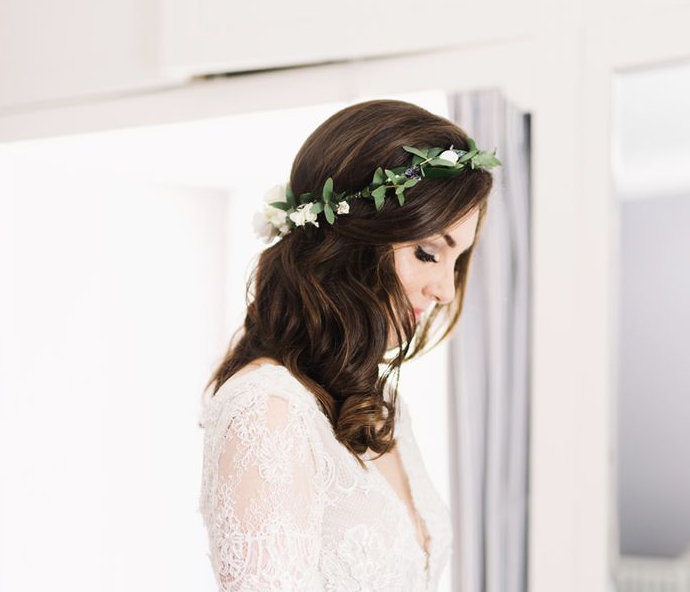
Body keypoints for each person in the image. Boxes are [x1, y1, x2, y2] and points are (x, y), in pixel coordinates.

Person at [197, 98, 500, 591]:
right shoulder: (268, 411)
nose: (445, 289)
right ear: (353, 241)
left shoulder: (382, 408)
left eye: (456, 261)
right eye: (428, 253)